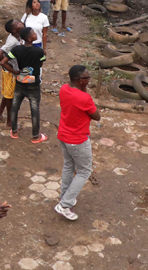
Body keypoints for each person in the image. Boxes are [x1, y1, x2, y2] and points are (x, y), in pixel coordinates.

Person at [55, 65, 100, 221]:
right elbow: (97, 116)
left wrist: (83, 87)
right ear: (80, 81)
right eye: (87, 78)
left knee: (68, 165)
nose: (89, 79)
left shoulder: (64, 89)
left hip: (63, 135)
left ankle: (64, 197)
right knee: (84, 171)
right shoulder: (84, 98)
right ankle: (65, 204)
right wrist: (85, 91)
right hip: (78, 139)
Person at [0, 27, 47, 143]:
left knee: (15, 107)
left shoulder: (16, 49)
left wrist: (14, 71)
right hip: (33, 82)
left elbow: (3, 62)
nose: (36, 34)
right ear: (30, 38)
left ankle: (14, 131)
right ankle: (36, 136)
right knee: (34, 109)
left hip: (20, 79)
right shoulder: (39, 51)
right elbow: (40, 64)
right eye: (34, 33)